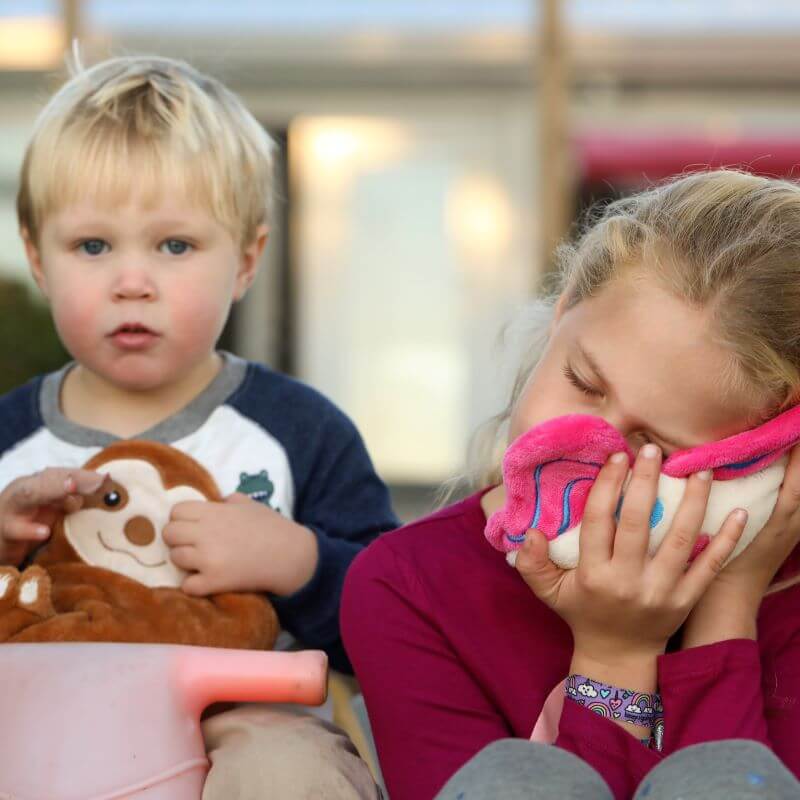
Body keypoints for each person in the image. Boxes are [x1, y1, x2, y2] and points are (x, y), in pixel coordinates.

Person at [0, 54, 397, 799]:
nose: (132, 280)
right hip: (34, 718)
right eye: (93, 246)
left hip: (242, 720)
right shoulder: (8, 443)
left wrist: (301, 564)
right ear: (37, 258)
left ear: (247, 261)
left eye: (174, 245)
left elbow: (404, 625)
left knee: (289, 774)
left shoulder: (298, 432)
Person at [341, 170, 800, 799]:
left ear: (763, 460)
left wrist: (729, 605)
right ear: (560, 314)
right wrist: (614, 659)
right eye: (582, 381)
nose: (584, 441)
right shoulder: (409, 587)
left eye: (655, 447)